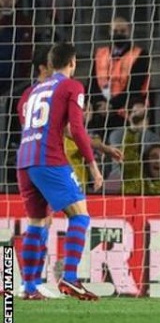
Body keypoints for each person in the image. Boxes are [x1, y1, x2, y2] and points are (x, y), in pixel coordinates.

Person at [16, 42, 103, 300]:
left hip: (24, 161)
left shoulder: (33, 90)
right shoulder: (72, 86)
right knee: (80, 216)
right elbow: (76, 128)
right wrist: (93, 166)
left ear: (51, 63)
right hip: (49, 158)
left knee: (37, 223)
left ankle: (29, 288)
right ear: (73, 62)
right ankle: (70, 277)